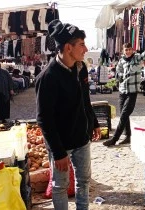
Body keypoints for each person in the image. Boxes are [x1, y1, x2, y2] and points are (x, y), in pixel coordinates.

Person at [35, 19, 101, 210]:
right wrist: (58, 152)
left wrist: (94, 122)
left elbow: (85, 99)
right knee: (59, 186)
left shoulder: (81, 69)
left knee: (84, 181)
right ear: (68, 47)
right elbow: (44, 118)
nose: (86, 49)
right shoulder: (48, 77)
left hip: (81, 138)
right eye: (81, 44)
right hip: (61, 144)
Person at [103, 42, 145, 146]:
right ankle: (128, 136)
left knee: (124, 115)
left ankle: (114, 139)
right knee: (124, 114)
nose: (127, 52)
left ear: (132, 50)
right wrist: (121, 75)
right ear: (123, 51)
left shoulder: (136, 58)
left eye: (129, 49)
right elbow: (117, 72)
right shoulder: (121, 60)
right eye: (125, 50)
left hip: (132, 91)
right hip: (122, 91)